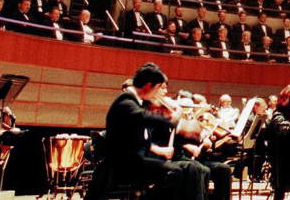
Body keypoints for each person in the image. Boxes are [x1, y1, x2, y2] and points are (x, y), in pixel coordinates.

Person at [85, 63, 206, 200]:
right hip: (122, 165)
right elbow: (144, 117)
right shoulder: (126, 102)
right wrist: (174, 121)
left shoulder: (133, 101)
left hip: (132, 162)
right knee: (175, 171)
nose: (158, 93)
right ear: (148, 85)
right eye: (158, 88)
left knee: (179, 171)